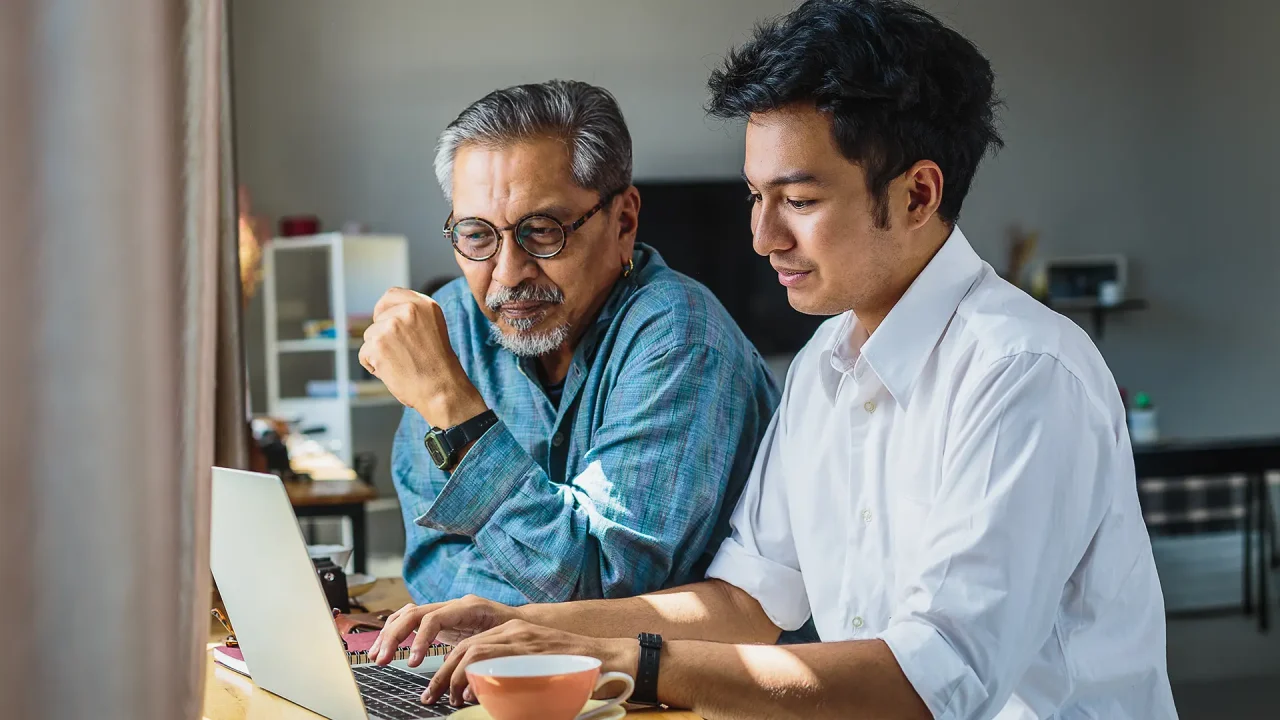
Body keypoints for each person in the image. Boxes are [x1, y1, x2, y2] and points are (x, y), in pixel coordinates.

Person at [367, 2, 1178, 718]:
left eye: (799, 200)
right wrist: (533, 626)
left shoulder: (1023, 373)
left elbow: (933, 685)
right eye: (757, 199)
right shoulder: (828, 360)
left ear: (918, 195)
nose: (763, 238)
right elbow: (744, 600)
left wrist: (641, 662)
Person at [358, 80, 779, 606]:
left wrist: (454, 408)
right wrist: (509, 618)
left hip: (674, 684)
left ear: (623, 221)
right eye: (476, 234)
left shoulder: (681, 337)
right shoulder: (456, 325)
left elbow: (603, 582)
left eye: (542, 230)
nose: (508, 274)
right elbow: (434, 557)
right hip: (507, 672)